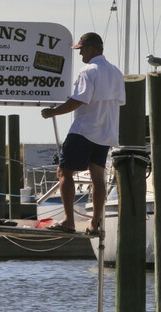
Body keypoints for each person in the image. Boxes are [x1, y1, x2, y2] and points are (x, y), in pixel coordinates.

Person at [41, 32, 125, 235]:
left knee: (64, 173)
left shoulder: (88, 70)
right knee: (98, 178)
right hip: (107, 133)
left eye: (82, 50)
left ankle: (69, 221)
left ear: (93, 49)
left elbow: (79, 99)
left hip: (84, 130)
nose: (80, 55)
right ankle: (95, 224)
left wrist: (53, 112)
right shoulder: (116, 72)